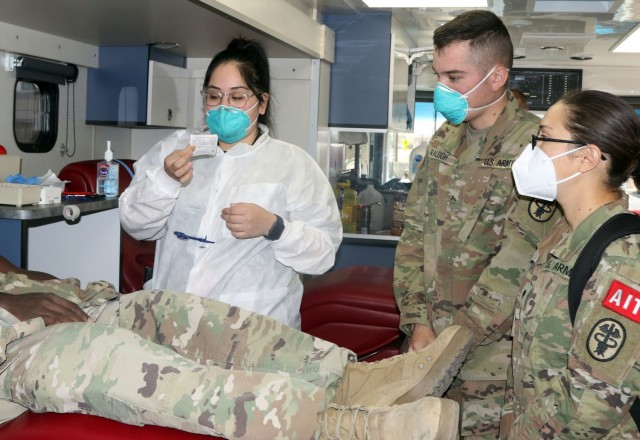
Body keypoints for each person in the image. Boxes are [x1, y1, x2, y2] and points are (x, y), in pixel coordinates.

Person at [0, 255, 474, 439]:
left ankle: (358, 380)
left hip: (74, 304)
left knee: (177, 310)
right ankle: (339, 427)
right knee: (108, 356)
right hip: (11, 349)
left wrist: (49, 286)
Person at [393, 10, 560, 438]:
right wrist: (418, 322)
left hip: (489, 359)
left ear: (497, 76)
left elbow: (521, 257)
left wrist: (457, 338)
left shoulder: (536, 150)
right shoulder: (445, 139)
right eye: (439, 76)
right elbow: (413, 231)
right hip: (426, 345)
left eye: (455, 77)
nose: (442, 89)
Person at [119, 38, 341, 329]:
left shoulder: (292, 164)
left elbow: (322, 255)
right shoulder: (174, 150)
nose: (223, 107)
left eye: (237, 97)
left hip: (253, 328)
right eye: (214, 96)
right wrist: (165, 180)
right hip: (172, 317)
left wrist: (274, 228)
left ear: (262, 103)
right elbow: (135, 225)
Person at [502, 90, 640, 438]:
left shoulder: (623, 258)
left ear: (586, 157)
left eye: (544, 137)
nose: (532, 148)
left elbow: (591, 402)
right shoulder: (562, 234)